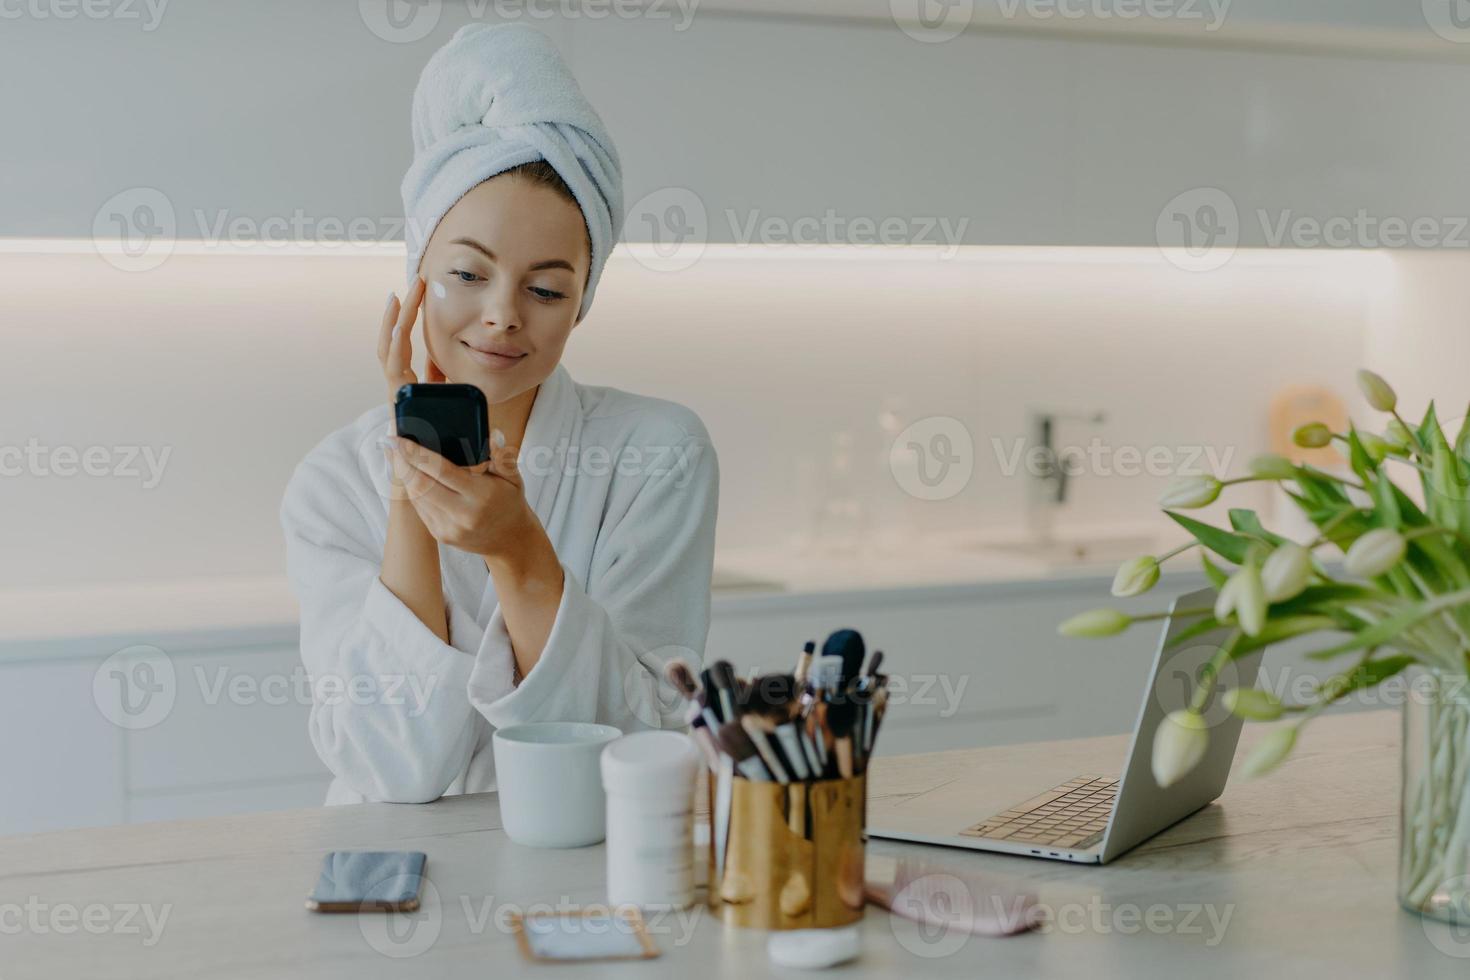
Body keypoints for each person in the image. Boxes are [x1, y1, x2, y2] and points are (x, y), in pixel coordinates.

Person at [280, 23, 719, 805]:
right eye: (466, 273)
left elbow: (650, 744)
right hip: (396, 883)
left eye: (546, 289)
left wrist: (520, 553)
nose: (501, 315)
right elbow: (388, 771)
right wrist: (407, 491)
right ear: (416, 274)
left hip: (589, 875)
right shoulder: (330, 485)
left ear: (583, 304)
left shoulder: (658, 453)